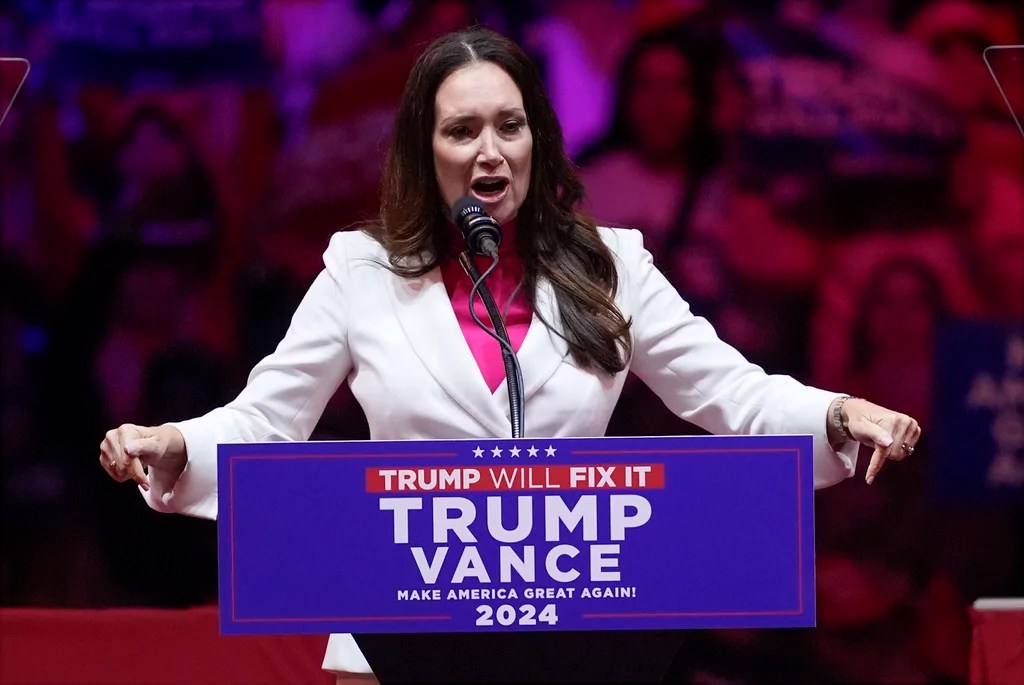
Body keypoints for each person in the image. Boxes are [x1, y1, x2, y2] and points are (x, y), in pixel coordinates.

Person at [98, 27, 921, 684]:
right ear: (426, 150)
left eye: (510, 125)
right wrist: (175, 442)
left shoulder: (612, 264)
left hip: (574, 632)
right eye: (462, 130)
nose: (490, 151)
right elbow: (266, 420)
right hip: (397, 636)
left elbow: (733, 394)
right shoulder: (362, 271)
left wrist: (836, 412)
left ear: (539, 138)